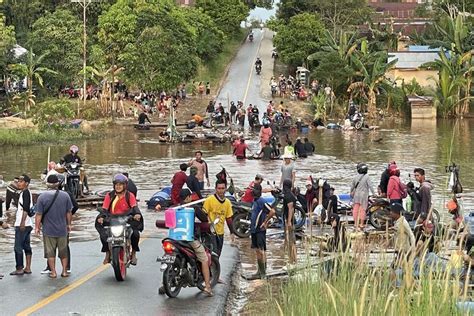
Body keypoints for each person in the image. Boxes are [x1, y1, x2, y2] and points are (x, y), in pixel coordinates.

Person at [158, 189, 213, 296]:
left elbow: (169, 223)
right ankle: (207, 286)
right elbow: (204, 219)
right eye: (190, 196)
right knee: (204, 259)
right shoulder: (194, 208)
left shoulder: (174, 208)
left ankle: (165, 284)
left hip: (174, 238)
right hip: (189, 239)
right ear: (188, 197)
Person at [95, 174, 142, 265]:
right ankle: (107, 253)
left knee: (135, 234)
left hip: (127, 218)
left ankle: (133, 254)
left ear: (124, 185)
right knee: (103, 235)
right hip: (112, 218)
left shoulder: (130, 195)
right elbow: (104, 209)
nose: (118, 187)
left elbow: (134, 207)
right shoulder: (109, 195)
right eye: (116, 185)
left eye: (120, 185)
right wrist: (101, 217)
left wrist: (137, 214)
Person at [35, 174, 73, 278]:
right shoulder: (65, 195)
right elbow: (69, 212)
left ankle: (53, 272)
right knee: (63, 252)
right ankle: (64, 271)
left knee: (50, 253)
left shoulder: (42, 197)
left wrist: (37, 227)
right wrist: (69, 224)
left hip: (48, 230)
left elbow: (39, 214)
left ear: (47, 184)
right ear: (58, 184)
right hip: (62, 229)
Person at [202, 179, 234, 257]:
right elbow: (203, 215)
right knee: (213, 254)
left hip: (220, 233)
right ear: (216, 189)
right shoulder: (209, 200)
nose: (221, 191)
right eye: (219, 188)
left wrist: (232, 232)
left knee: (218, 254)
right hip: (211, 233)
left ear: (226, 189)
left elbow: (229, 219)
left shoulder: (227, 203)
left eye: (223, 188)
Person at [249, 183, 275, 279]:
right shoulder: (254, 201)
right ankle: (259, 271)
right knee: (257, 250)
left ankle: (263, 273)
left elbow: (272, 211)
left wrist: (265, 222)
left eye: (253, 189)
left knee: (261, 250)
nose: (252, 191)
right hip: (254, 230)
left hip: (260, 230)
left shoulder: (261, 201)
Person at [10, 175, 33, 276]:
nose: (18, 183)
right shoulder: (25, 193)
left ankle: (19, 268)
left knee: (18, 247)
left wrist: (22, 223)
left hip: (23, 224)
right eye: (18, 181)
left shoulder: (25, 193)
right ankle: (27, 267)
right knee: (26, 246)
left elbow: (26, 209)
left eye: (21, 181)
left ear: (26, 183)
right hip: (28, 224)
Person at [389, 203, 416, 286]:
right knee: (401, 268)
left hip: (404, 251)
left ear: (397, 213)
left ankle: (401, 285)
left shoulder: (404, 222)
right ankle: (405, 284)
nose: (390, 213)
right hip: (399, 250)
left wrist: (413, 248)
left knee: (395, 268)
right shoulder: (397, 222)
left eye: (392, 212)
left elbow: (411, 234)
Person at [350, 163, 374, 231]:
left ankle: (355, 224)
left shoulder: (355, 177)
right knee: (362, 209)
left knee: (355, 209)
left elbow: (352, 187)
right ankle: (361, 224)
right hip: (364, 195)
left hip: (356, 195)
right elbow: (370, 186)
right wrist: (374, 193)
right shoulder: (367, 177)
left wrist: (351, 193)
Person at [282, 179, 297, 264]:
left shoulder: (288, 195)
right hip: (289, 219)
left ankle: (294, 260)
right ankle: (291, 259)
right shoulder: (290, 194)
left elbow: (290, 209)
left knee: (291, 241)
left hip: (290, 220)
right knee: (289, 240)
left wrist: (288, 222)